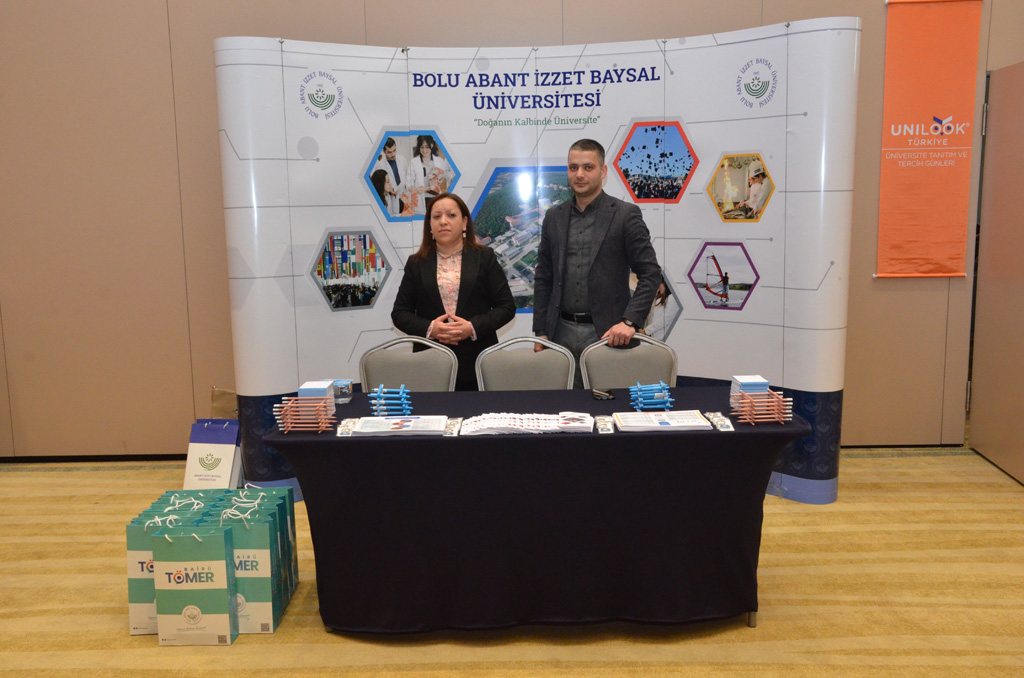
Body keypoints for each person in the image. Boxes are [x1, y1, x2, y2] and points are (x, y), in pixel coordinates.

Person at [533, 138, 662, 387]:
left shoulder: (625, 215)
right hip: (559, 336)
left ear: (603, 171)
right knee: (563, 406)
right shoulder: (553, 217)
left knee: (610, 404)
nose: (579, 174)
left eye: (588, 167)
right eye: (573, 167)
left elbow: (650, 273)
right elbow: (544, 277)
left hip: (609, 335)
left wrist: (630, 322)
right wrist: (541, 331)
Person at [392, 192, 515, 390]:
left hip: (478, 362)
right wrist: (431, 328)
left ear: (464, 222)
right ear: (429, 225)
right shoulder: (416, 263)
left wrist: (472, 327)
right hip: (431, 362)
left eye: (451, 215)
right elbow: (400, 313)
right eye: (436, 216)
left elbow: (506, 307)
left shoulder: (484, 257)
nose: (443, 221)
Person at [407, 135, 454, 214]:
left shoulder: (439, 161)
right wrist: (415, 189)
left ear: (431, 145)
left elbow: (443, 177)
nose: (424, 150)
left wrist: (443, 180)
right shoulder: (414, 162)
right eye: (422, 147)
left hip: (434, 197)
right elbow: (409, 182)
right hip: (420, 198)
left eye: (427, 147)